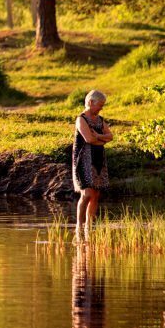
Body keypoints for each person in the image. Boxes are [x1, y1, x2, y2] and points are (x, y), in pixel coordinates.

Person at [72, 89, 112, 239]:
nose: (101, 107)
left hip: (98, 158)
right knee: (87, 193)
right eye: (100, 105)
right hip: (84, 159)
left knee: (95, 194)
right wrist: (103, 139)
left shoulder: (100, 119)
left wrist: (100, 136)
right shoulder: (81, 119)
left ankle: (90, 227)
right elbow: (88, 139)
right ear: (90, 102)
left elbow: (111, 136)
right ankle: (79, 225)